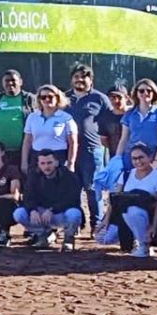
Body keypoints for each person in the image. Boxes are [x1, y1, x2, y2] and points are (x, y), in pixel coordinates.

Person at [63, 65, 114, 235]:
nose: (79, 80)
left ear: (90, 80)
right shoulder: (64, 99)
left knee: (92, 189)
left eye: (83, 77)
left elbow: (110, 121)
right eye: (76, 76)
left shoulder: (100, 98)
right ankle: (76, 224)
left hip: (92, 150)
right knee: (72, 189)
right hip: (68, 151)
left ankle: (96, 225)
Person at [99, 143, 157, 257]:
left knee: (134, 212)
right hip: (123, 215)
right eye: (134, 158)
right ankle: (131, 236)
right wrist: (106, 219)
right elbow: (116, 199)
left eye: (141, 157)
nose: (138, 161)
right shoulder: (126, 175)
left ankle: (143, 245)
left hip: (146, 216)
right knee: (103, 238)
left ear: (150, 157)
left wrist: (153, 226)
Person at [14, 151, 84, 250]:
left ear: (56, 162)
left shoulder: (69, 176)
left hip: (61, 214)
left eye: (49, 163)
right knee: (19, 213)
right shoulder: (33, 176)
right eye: (42, 163)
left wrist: (52, 209)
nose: (46, 166)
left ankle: (68, 238)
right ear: (38, 164)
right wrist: (32, 210)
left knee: (74, 213)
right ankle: (43, 235)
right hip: (42, 215)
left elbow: (72, 199)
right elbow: (28, 197)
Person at [115, 78, 157, 170]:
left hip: (151, 159)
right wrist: (116, 160)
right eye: (141, 91)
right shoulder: (129, 114)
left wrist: (156, 162)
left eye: (149, 91)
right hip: (130, 159)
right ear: (136, 94)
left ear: (154, 93)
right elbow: (123, 139)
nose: (145, 93)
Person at [21, 84, 78, 175]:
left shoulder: (66, 118)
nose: (47, 99)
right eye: (43, 97)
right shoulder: (32, 117)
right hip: (37, 157)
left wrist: (71, 163)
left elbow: (73, 143)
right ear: (39, 100)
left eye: (50, 97)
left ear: (57, 98)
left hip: (58, 157)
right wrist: (24, 162)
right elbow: (27, 141)